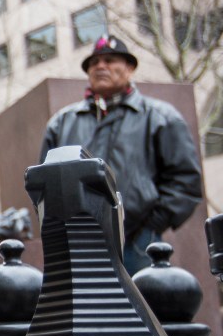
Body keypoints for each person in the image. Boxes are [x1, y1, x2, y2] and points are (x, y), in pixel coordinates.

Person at [39, 34, 203, 274]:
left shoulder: (160, 117)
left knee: (141, 309)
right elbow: (45, 183)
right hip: (79, 246)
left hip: (139, 243)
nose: (101, 66)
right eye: (94, 63)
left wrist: (151, 226)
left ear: (130, 68)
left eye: (111, 60)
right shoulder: (62, 123)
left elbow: (185, 181)